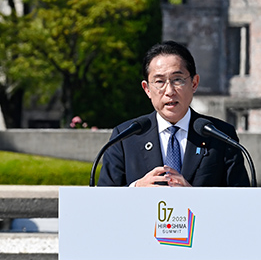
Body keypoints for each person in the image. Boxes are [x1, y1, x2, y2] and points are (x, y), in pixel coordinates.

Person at [98, 40, 250, 187]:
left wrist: (194, 197)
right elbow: (102, 201)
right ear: (147, 89)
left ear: (194, 83)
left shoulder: (221, 136)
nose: (169, 91)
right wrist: (136, 188)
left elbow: (241, 203)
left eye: (177, 80)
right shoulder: (125, 136)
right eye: (159, 82)